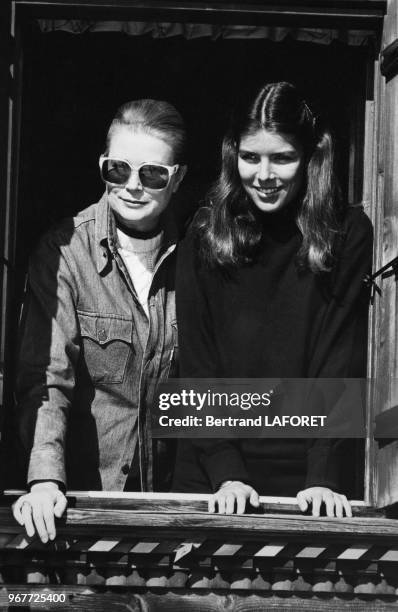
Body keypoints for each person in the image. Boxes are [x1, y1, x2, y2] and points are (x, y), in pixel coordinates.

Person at [172, 81, 372, 517]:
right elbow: (197, 362)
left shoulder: (346, 232)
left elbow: (337, 356)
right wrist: (226, 470)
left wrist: (323, 473)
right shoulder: (204, 232)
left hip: (306, 475)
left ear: (311, 157)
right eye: (250, 157)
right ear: (233, 154)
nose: (264, 175)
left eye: (282, 158)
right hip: (211, 468)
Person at [13, 99, 187, 541]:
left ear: (177, 179)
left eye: (152, 174)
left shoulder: (201, 257)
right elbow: (47, 378)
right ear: (102, 166)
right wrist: (45, 480)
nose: (132, 186)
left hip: (175, 510)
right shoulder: (65, 252)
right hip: (84, 507)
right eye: (118, 170)